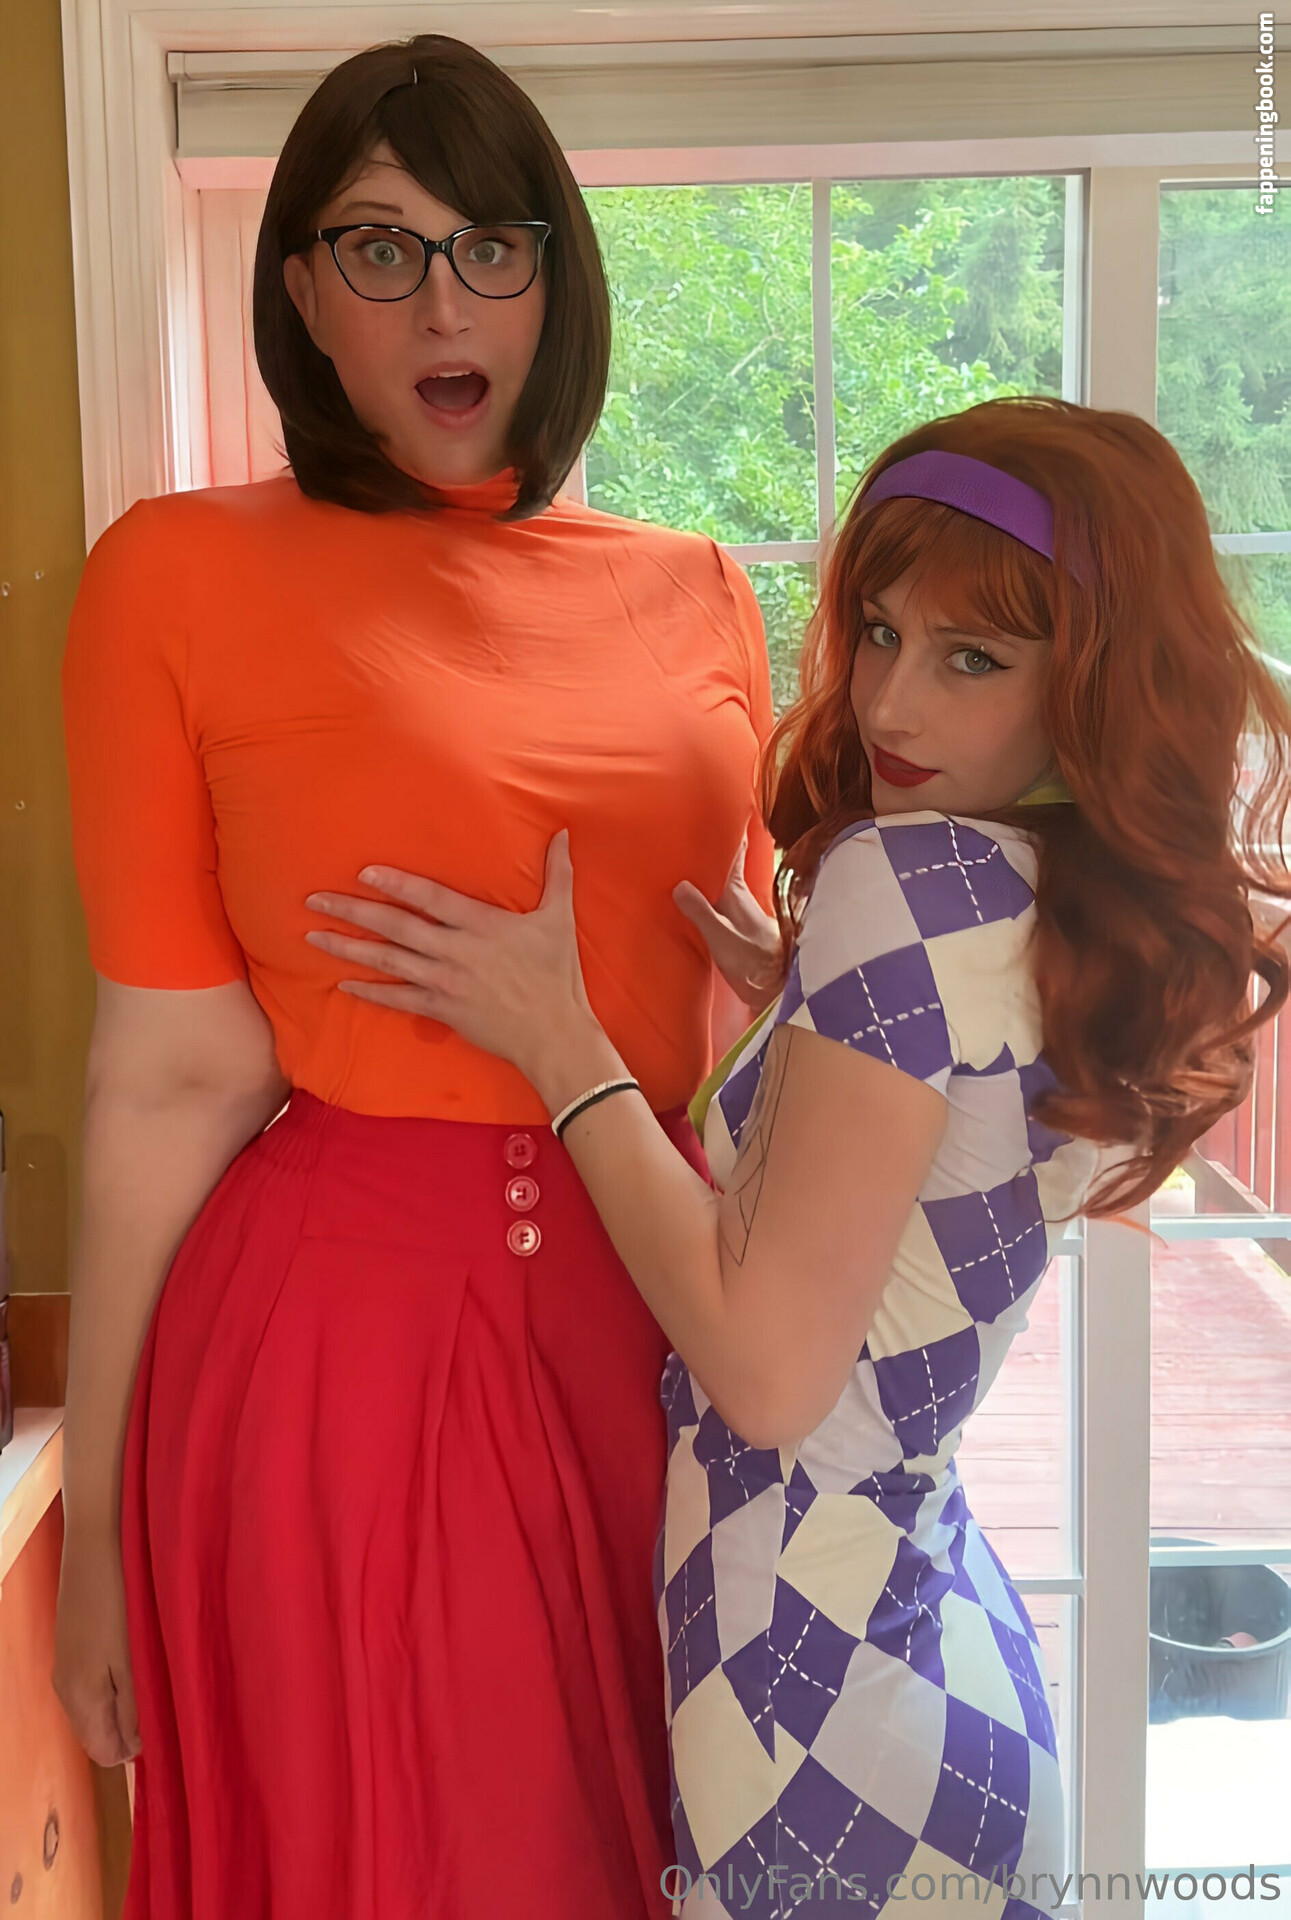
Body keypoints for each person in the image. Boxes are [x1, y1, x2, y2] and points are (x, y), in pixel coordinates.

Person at [303, 394, 1291, 1920]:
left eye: (974, 657)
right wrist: (804, 1020)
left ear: (1094, 676)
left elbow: (765, 1380)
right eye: (880, 631)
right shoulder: (1057, 899)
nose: (892, 700)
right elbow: (954, 1156)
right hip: (940, 1659)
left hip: (811, 1703)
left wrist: (560, 1044)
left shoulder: (911, 886)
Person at [54, 33, 777, 1920]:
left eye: (490, 245)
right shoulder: (174, 576)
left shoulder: (703, 587)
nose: (443, 302)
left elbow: (747, 1004)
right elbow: (172, 1077)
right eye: (379, 247)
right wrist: (96, 1524)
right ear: (300, 288)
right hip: (342, 1357)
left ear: (555, 275)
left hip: (673, 1321)